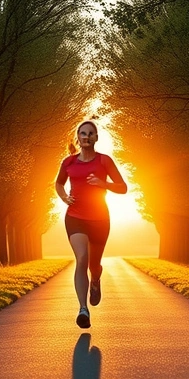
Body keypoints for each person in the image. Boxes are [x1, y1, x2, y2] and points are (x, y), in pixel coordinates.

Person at [55, 120, 128, 328]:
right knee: (82, 259)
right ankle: (83, 309)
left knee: (93, 265)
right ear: (78, 137)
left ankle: (95, 279)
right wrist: (63, 197)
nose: (86, 136)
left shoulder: (104, 161)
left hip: (99, 219)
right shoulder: (68, 162)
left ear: (96, 138)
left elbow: (123, 187)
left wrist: (103, 183)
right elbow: (59, 183)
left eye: (90, 133)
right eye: (83, 133)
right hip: (75, 217)